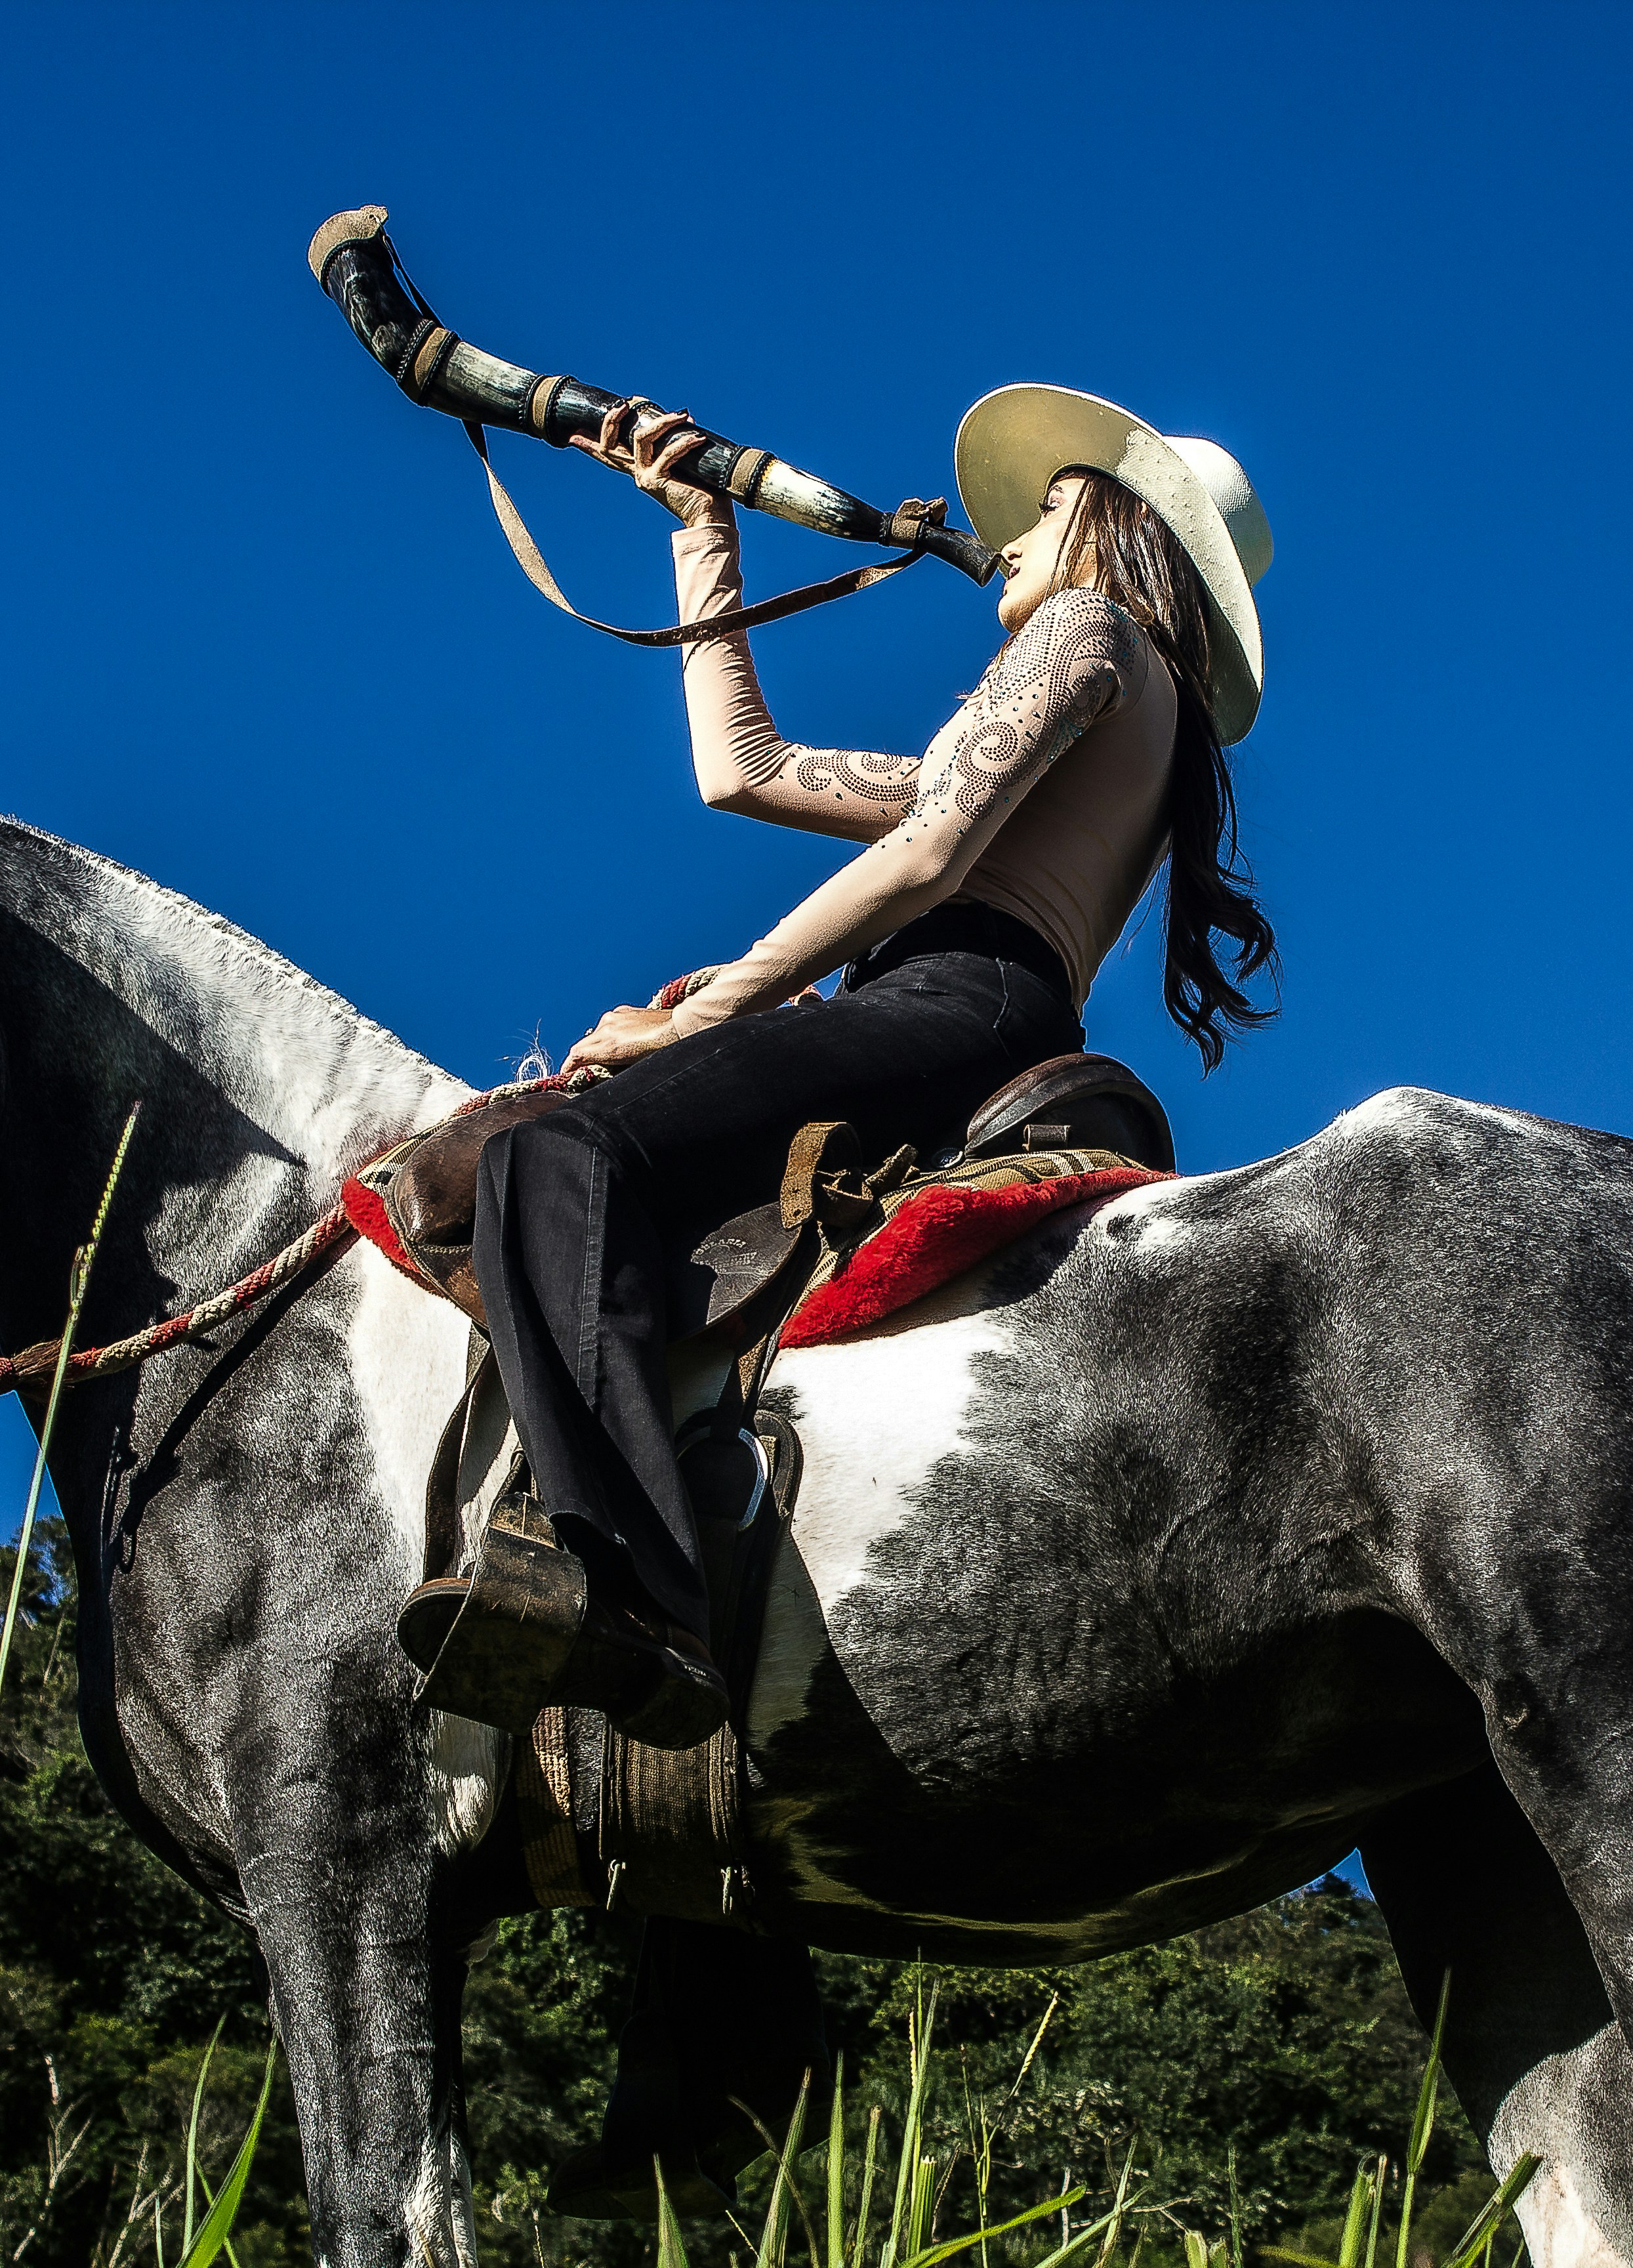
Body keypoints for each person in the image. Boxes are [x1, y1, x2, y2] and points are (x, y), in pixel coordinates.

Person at [406, 385, 1277, 1750]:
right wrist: (705, 532)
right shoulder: (1114, 703)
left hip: (956, 997)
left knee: (554, 1155)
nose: (1011, 542)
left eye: (1046, 514)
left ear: (1117, 527)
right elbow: (742, 771)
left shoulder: (1090, 628)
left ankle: (638, 1592)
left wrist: (701, 1019)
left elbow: (924, 860)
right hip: (990, 1009)